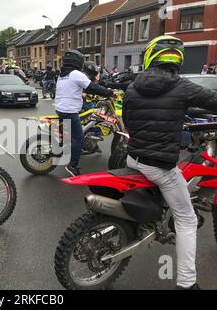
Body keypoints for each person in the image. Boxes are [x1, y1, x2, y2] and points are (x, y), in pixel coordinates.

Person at [123, 35, 217, 290]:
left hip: (133, 158)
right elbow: (212, 100)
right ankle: (187, 283)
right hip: (160, 166)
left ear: (151, 56)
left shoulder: (132, 86)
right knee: (186, 218)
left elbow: (128, 122)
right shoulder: (182, 87)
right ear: (177, 60)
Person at [55, 50, 114, 176]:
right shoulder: (76, 74)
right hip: (69, 111)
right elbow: (93, 87)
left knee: (71, 135)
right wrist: (109, 92)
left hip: (60, 109)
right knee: (79, 138)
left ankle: (67, 150)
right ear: (78, 62)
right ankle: (72, 166)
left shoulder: (63, 74)